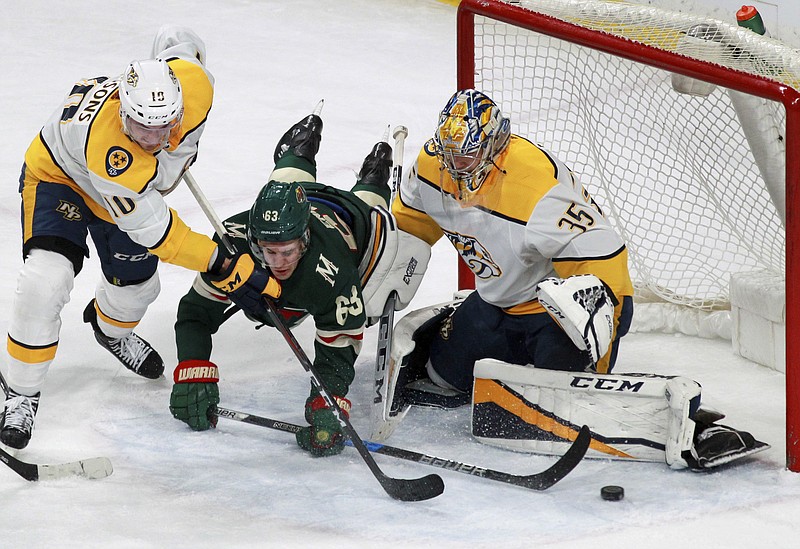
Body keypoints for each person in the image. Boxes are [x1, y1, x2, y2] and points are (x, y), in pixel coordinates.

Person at [380, 89, 766, 470]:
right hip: (497, 301)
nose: (457, 168)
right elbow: (412, 223)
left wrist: (597, 346)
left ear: (495, 145)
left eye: (468, 155)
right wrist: (385, 260)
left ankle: (684, 424)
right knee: (444, 375)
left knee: (565, 405)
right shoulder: (432, 166)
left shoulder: (535, 189)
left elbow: (605, 261)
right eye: (451, 156)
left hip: (556, 310)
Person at [1, 26, 279, 450]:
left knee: (138, 289)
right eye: (140, 127)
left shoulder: (195, 86)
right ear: (122, 110)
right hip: (63, 180)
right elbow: (160, 234)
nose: (153, 138)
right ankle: (20, 393)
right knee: (46, 280)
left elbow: (180, 43)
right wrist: (222, 264)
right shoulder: (116, 157)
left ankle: (109, 330)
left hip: (130, 198)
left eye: (163, 126)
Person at [170, 112, 407, 457]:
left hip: (350, 221)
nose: (278, 262)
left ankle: (375, 174)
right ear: (254, 239)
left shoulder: (331, 274)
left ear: (305, 241)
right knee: (284, 185)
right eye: (268, 251)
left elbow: (339, 342)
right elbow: (195, 312)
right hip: (303, 199)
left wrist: (328, 400)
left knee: (369, 207)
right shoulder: (230, 247)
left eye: (288, 251)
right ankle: (300, 147)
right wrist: (192, 367)